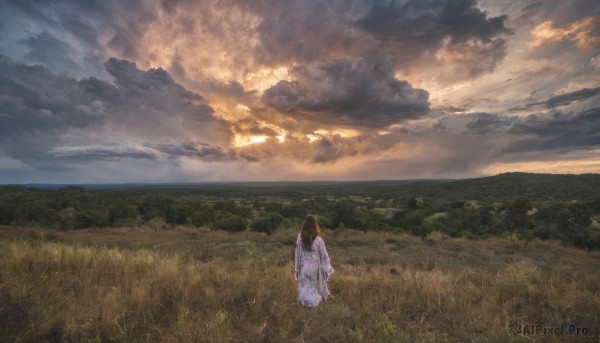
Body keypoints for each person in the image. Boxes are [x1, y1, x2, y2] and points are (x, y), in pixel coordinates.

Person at [294, 215, 334, 307]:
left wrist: (298, 269)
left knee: (305, 290)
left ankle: (306, 304)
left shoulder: (300, 238)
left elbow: (298, 255)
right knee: (315, 290)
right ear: (315, 226)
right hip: (316, 270)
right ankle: (314, 303)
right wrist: (325, 270)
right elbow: (324, 257)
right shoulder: (319, 240)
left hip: (304, 268)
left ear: (304, 225)